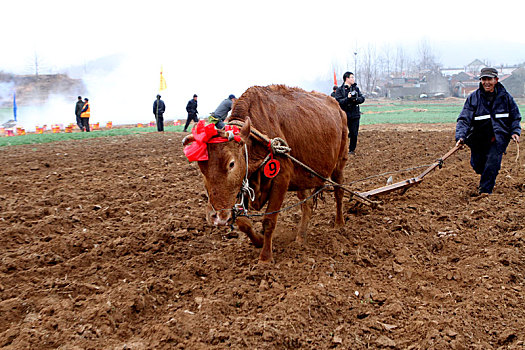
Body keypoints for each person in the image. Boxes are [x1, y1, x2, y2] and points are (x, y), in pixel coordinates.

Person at [455, 67, 521, 195]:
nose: (486, 82)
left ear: (496, 80)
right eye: (484, 79)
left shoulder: (506, 98)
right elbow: (464, 119)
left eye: (489, 79)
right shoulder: (473, 98)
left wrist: (515, 131)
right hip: (478, 139)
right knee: (478, 165)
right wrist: (460, 137)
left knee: (492, 163)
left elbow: (515, 117)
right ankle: (486, 174)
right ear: (481, 81)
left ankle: (484, 192)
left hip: (498, 138)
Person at [335, 72, 365, 155]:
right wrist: (347, 99)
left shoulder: (356, 88)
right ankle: (341, 150)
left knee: (354, 133)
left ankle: (351, 150)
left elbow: (362, 98)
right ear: (347, 78)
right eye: (351, 77)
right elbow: (338, 101)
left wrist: (355, 99)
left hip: (355, 114)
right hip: (344, 115)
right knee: (342, 133)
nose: (353, 79)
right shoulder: (339, 90)